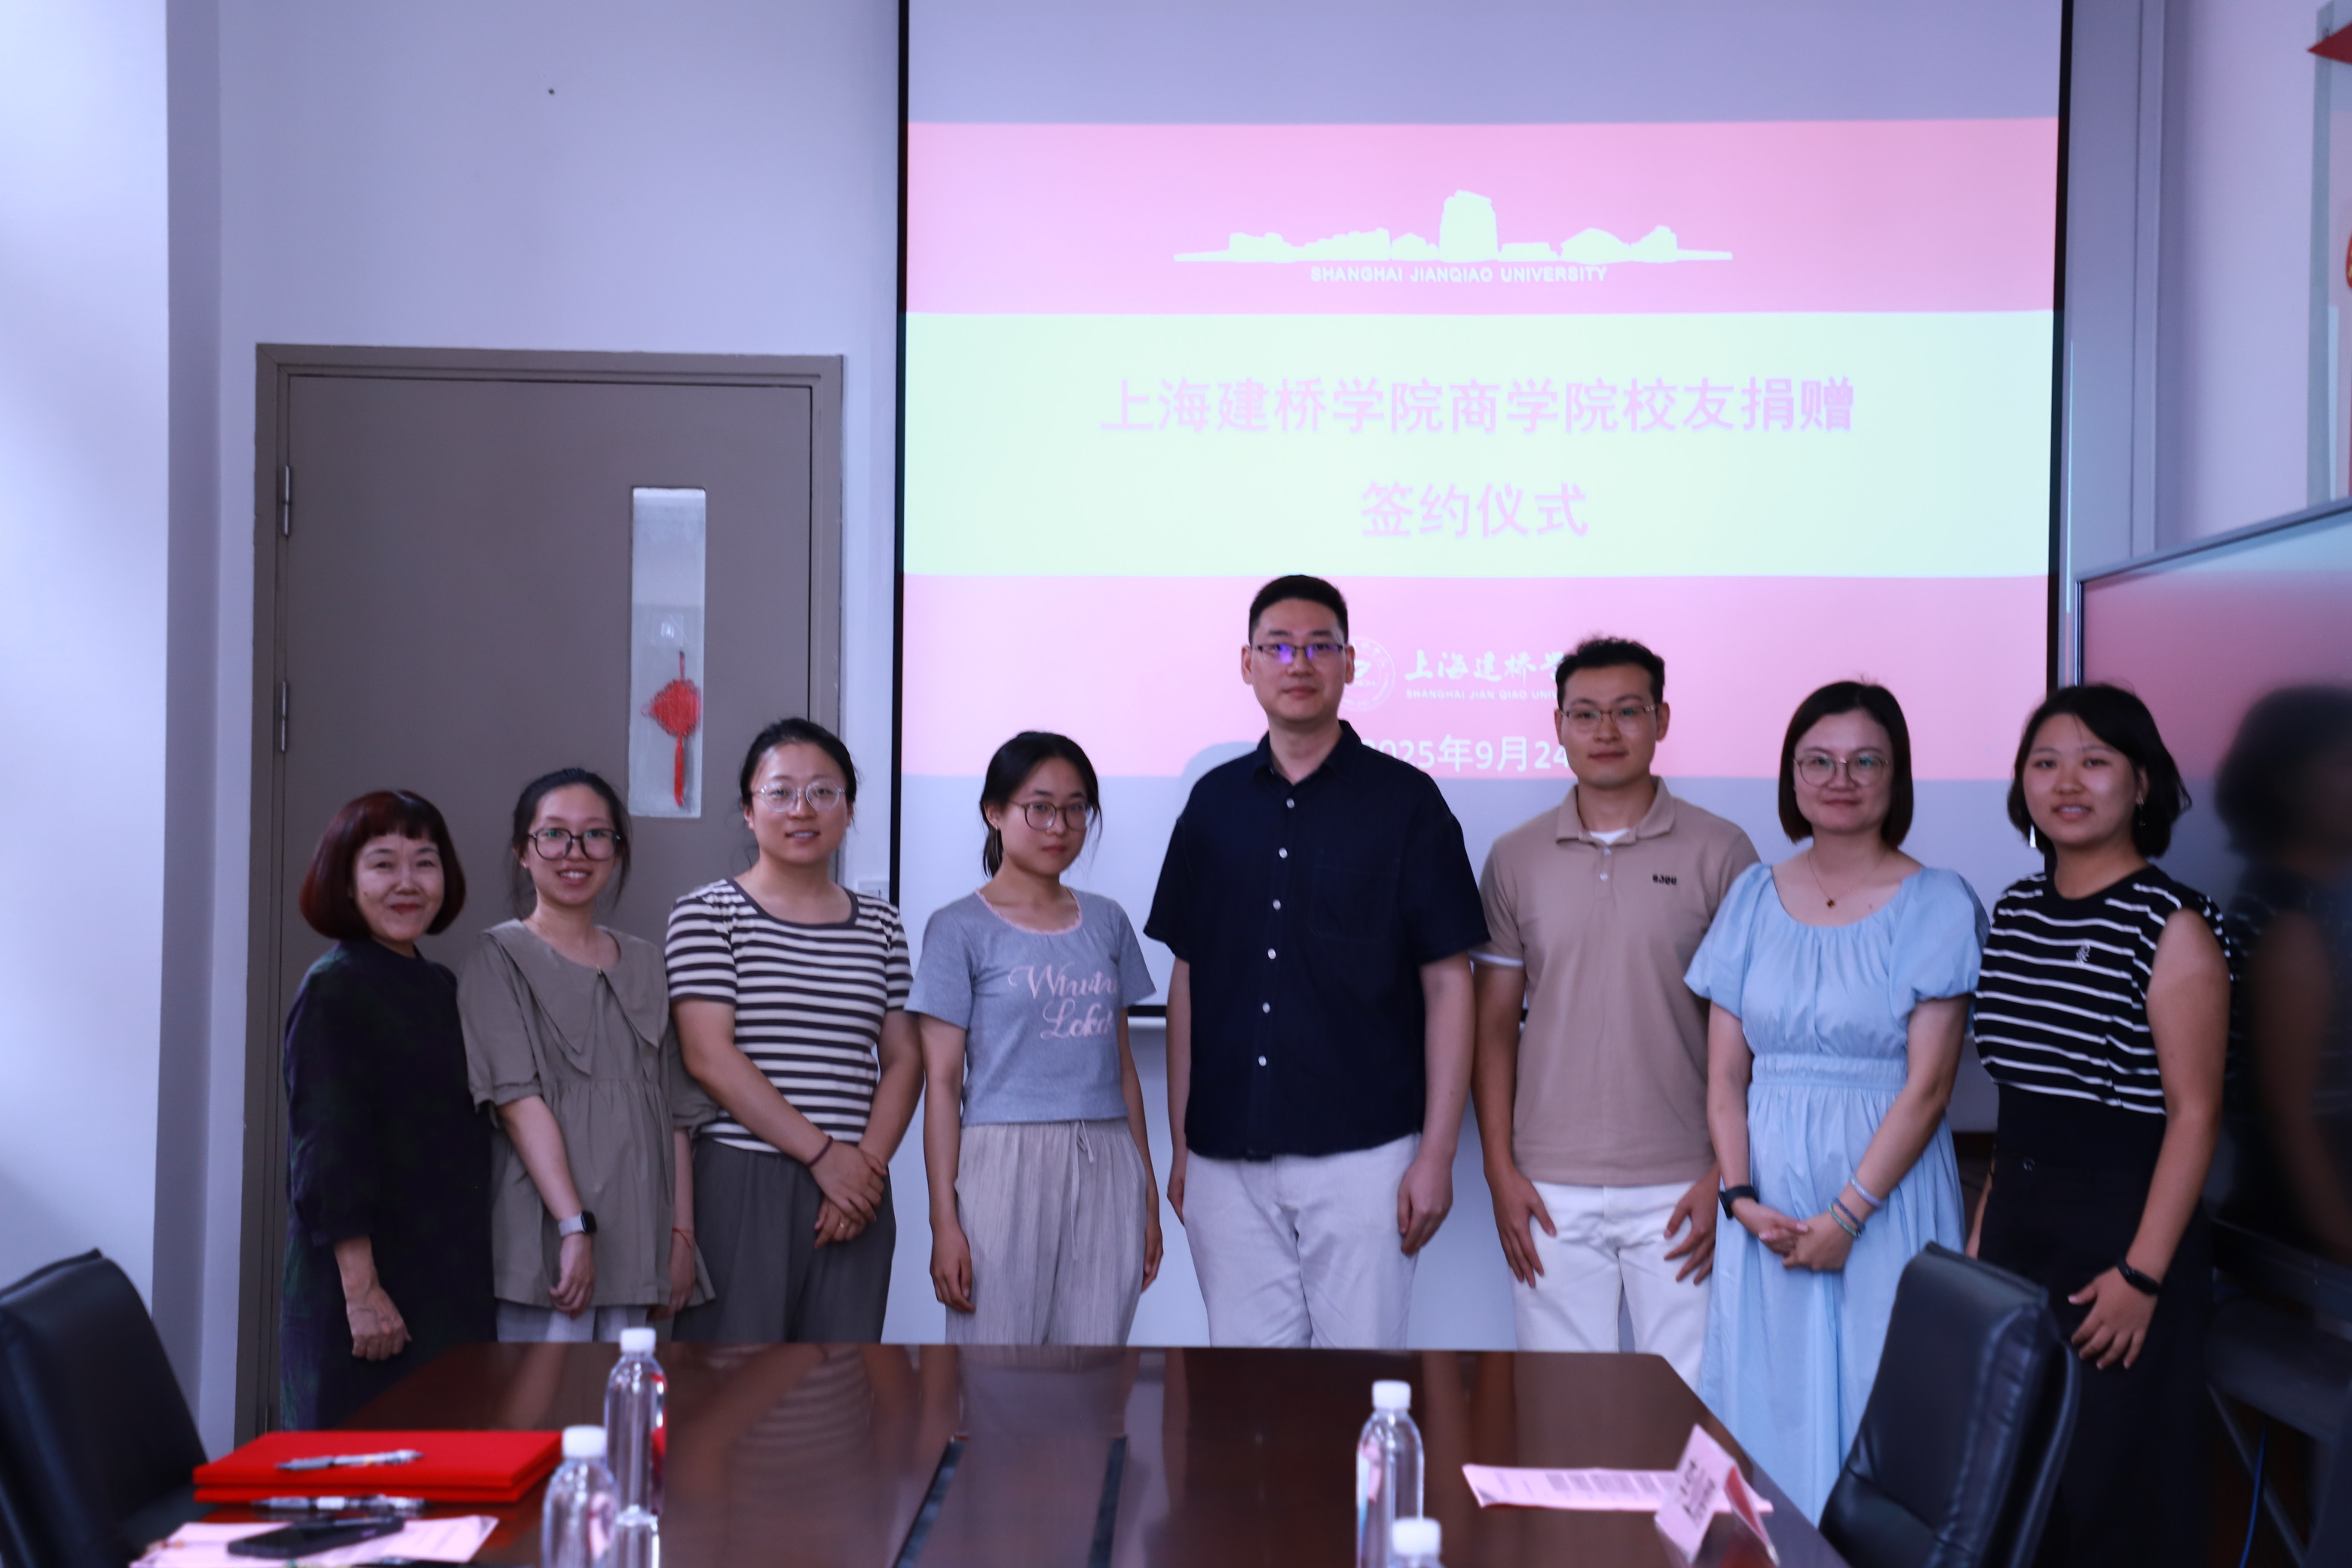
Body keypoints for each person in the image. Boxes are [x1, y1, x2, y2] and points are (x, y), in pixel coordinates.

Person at [1146, 574, 1487, 1349]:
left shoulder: (1407, 803)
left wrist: (1437, 1154)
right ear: (1247, 664)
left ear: (1350, 663)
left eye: (1319, 646)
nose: (1298, 663)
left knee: (1359, 1382)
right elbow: (1189, 977)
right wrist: (1183, 1144)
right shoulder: (1212, 804)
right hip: (1225, 1157)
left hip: (1364, 1155)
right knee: (1249, 1390)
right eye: (1278, 647)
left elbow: (1448, 983)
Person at [1686, 681, 1984, 1520]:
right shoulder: (1751, 896)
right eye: (1817, 761)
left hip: (1884, 1196)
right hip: (1768, 1204)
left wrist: (1848, 1217)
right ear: (1792, 776)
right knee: (1763, 1398)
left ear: (1898, 776)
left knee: (1883, 1392)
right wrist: (1740, 1197)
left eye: (1865, 762)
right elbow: (1726, 1077)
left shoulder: (1938, 901)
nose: (1839, 779)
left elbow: (1930, 1087)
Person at [1970, 684, 2231, 1568]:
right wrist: (1983, 1239)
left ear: (2142, 782)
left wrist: (2141, 1275)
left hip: (2123, 1240)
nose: (2067, 782)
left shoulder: (2172, 923)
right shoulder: (2014, 911)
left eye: (2095, 761)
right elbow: (2018, 1101)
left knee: (2111, 1498)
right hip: (2019, 1230)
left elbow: (2196, 1115)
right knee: (2015, 1489)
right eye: (2045, 762)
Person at [1470, 636, 1758, 1385]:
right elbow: (1493, 1028)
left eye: (1628, 711)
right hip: (1549, 1184)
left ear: (1661, 720)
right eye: (1586, 713)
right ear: (1558, 725)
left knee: (1692, 1403)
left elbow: (1752, 1031)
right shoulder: (1516, 857)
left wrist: (1724, 1177)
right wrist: (1500, 1171)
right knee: (1563, 1411)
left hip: (1684, 1180)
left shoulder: (1722, 851)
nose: (1606, 730)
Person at [666, 718, 921, 1342]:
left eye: (823, 792)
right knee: (735, 1379)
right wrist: (823, 1155)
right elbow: (708, 1056)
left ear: (849, 810)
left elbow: (904, 1059)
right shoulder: (707, 913)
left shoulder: (882, 925)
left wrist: (864, 1169)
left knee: (841, 1380)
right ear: (748, 811)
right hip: (745, 1175)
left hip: (856, 1187)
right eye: (780, 792)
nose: (801, 809)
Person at [910, 732, 1162, 1343]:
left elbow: (1123, 1066)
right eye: (1040, 807)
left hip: (1107, 1155)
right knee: (994, 1365)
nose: (1060, 826)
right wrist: (944, 1221)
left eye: (1077, 809)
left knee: (1095, 1362)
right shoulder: (957, 927)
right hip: (1002, 1159)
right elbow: (942, 1084)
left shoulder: (1108, 921)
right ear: (995, 813)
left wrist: (1148, 1195)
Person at [458, 767, 711, 1343]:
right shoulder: (497, 956)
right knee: (542, 1397)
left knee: (627, 1395)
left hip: (641, 1237)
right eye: (553, 834)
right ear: (523, 851)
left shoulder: (648, 962)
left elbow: (675, 1116)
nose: (575, 852)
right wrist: (573, 1226)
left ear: (617, 852)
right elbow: (518, 1104)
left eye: (596, 835)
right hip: (548, 1237)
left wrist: (681, 1238)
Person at [279, 791, 492, 1429]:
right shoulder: (335, 987)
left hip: (442, 1278)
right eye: (383, 864)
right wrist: (362, 1291)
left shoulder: (438, 985)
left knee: (445, 1467)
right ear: (346, 881)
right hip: (367, 1289)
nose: (407, 883)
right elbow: (328, 1151)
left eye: (424, 863)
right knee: (359, 1474)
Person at [2213, 685, 2352, 1260]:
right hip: (2301, 1246)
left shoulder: (2312, 905)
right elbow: (2288, 1116)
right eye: (2346, 763)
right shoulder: (2292, 923)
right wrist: (2341, 1250)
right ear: (2287, 783)